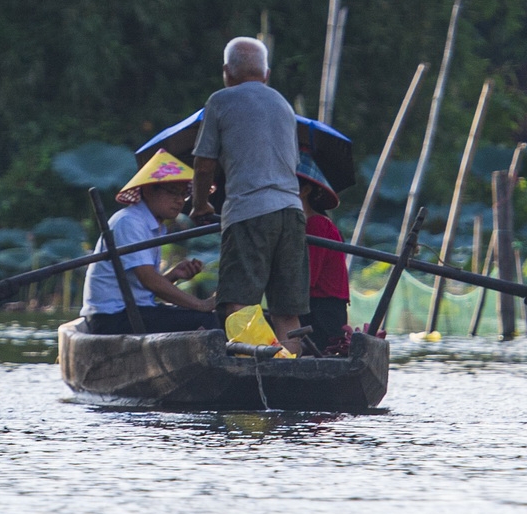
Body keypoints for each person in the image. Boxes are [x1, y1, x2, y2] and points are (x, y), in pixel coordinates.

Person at [190, 35, 314, 356]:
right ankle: (290, 372)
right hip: (291, 213)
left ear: (226, 72)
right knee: (287, 310)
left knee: (238, 302)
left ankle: (254, 373)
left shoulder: (220, 100)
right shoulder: (284, 106)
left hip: (249, 213)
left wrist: (201, 203)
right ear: (266, 75)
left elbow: (204, 166)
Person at [79, 150, 216, 335]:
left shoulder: (154, 226)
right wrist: (201, 304)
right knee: (209, 320)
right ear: (149, 191)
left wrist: (173, 274)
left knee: (212, 317)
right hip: (112, 318)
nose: (179, 201)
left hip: (133, 312)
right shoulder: (130, 221)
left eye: (183, 195)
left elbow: (142, 289)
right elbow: (148, 280)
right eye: (173, 192)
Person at [298, 158, 352, 354]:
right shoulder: (305, 225)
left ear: (304, 191)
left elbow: (308, 277)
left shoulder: (317, 225)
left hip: (323, 310)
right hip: (314, 306)